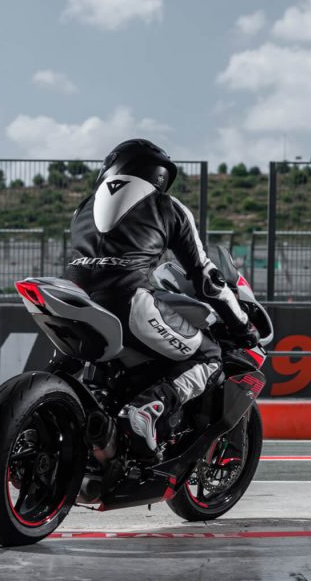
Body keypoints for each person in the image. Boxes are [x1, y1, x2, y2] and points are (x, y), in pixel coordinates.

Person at [64, 138, 259, 452]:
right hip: (127, 300)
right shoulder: (168, 206)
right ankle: (146, 410)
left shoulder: (83, 206)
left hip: (72, 298)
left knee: (63, 368)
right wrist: (242, 326)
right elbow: (207, 279)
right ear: (159, 176)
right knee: (209, 357)